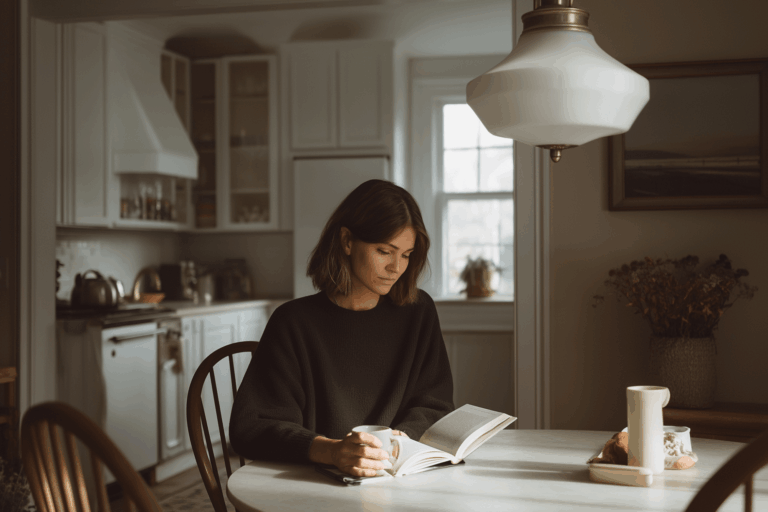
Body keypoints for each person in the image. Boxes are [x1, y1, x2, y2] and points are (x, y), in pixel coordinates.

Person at [229, 179, 454, 477]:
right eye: (385, 251)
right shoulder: (293, 322)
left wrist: (398, 442)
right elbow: (252, 427)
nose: (396, 268)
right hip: (311, 487)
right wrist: (330, 451)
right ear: (347, 241)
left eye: (406, 254)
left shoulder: (419, 312)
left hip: (397, 480)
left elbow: (435, 404)